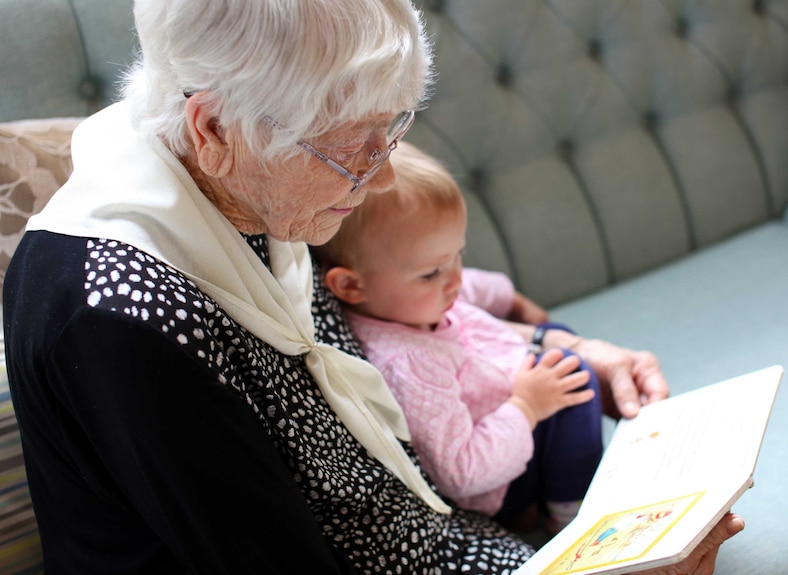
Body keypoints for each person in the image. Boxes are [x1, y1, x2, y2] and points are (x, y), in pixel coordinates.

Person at [1, 0, 743, 573]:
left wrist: (573, 349)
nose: (381, 174)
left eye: (390, 131)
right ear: (214, 128)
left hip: (432, 529)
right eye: (353, 149)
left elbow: (389, 321)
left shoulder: (239, 188)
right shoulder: (124, 316)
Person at [311, 141, 605, 534]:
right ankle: (568, 513)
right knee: (576, 374)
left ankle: (539, 498)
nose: (454, 280)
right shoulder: (408, 364)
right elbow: (462, 473)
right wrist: (527, 405)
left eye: (459, 255)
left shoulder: (404, 296)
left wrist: (516, 303)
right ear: (350, 285)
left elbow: (475, 288)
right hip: (497, 480)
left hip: (502, 402)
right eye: (432, 272)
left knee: (557, 337)